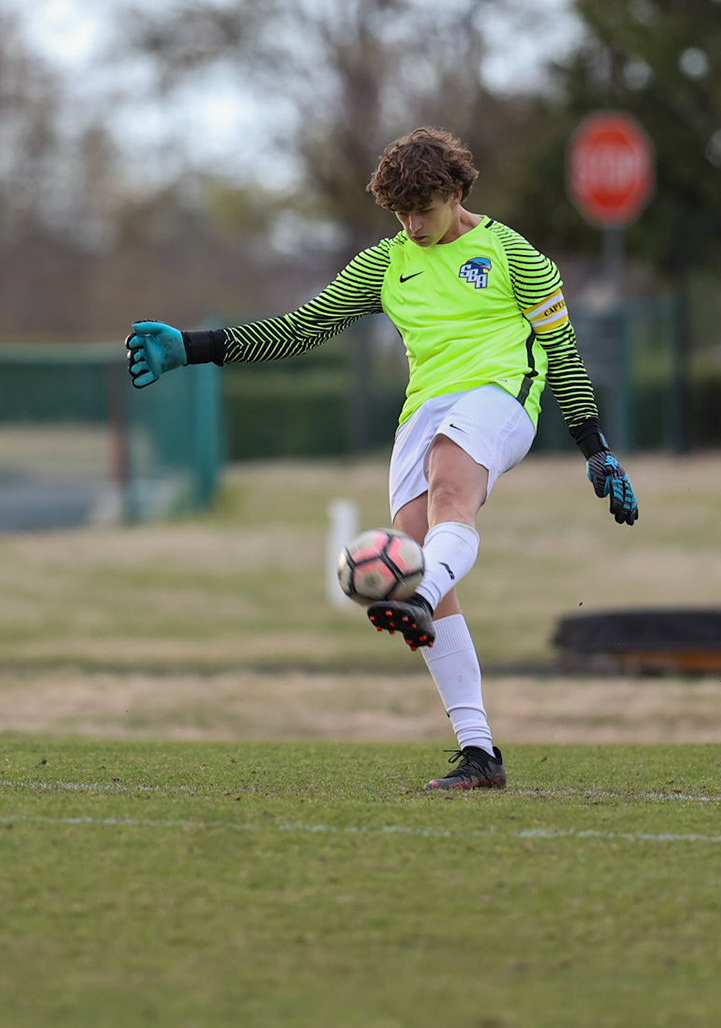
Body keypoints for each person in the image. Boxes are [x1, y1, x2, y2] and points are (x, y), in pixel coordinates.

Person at [126, 127, 639, 791]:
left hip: (500, 397)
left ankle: (418, 595)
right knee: (424, 553)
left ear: (455, 193)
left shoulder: (515, 256)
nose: (412, 226)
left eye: (422, 210)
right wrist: (192, 349)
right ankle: (479, 753)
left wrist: (595, 449)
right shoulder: (385, 263)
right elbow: (298, 329)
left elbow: (564, 355)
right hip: (422, 414)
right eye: (400, 215)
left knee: (450, 499)